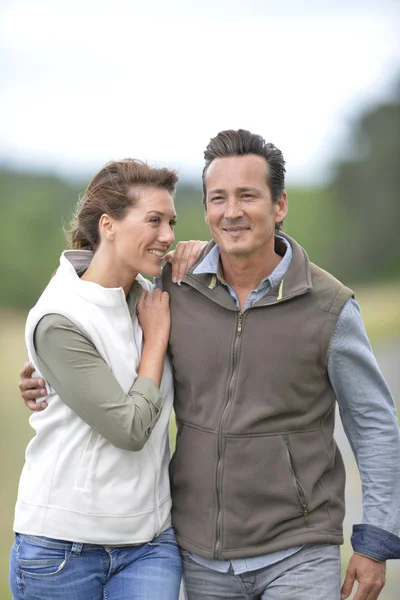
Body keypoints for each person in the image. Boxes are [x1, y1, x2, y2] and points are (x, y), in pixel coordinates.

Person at [19, 130, 400, 600]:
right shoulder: (174, 289)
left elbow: (374, 423)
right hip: (200, 556)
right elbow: (95, 321)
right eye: (218, 198)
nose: (232, 211)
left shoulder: (330, 307)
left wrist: (376, 541)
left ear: (279, 206)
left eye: (248, 196)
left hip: (299, 551)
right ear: (206, 209)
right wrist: (42, 373)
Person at [11, 158, 205, 600]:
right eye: (153, 220)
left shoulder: (154, 294)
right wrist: (155, 342)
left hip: (150, 543)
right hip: (62, 550)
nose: (168, 236)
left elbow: (251, 259)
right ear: (108, 225)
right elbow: (129, 428)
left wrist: (203, 250)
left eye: (172, 222)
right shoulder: (60, 316)